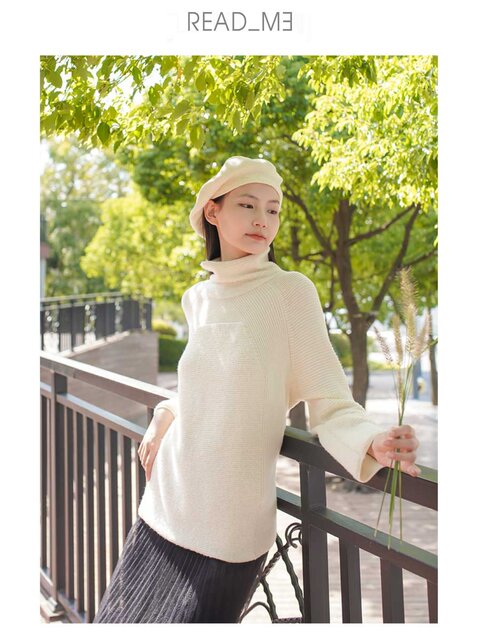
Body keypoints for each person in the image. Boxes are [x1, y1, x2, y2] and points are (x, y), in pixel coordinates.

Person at [93, 155, 420, 624]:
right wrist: (166, 412)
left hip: (230, 524)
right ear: (213, 211)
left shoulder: (290, 293)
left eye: (273, 210)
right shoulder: (197, 298)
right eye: (247, 205)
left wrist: (373, 441)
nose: (262, 220)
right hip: (165, 502)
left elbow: (330, 401)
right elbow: (210, 383)